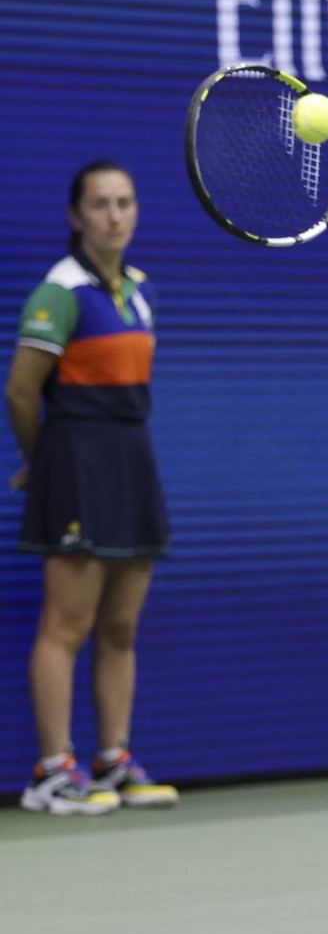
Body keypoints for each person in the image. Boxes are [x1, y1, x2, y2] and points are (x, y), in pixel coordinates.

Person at [7, 160, 178, 815]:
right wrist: (44, 462)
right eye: (101, 204)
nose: (115, 216)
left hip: (132, 460)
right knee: (66, 625)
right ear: (76, 216)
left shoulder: (141, 289)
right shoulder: (60, 292)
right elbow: (21, 393)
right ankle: (53, 773)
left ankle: (113, 762)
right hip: (75, 461)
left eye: (125, 202)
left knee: (121, 626)